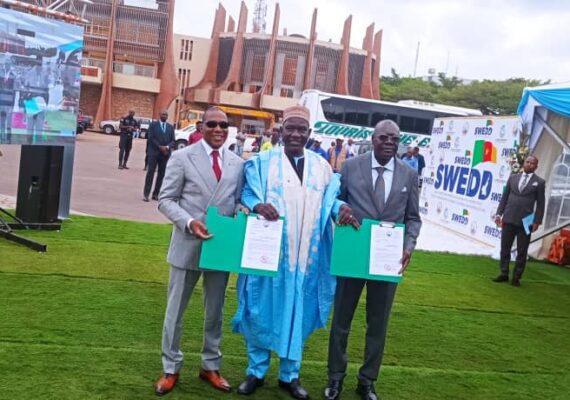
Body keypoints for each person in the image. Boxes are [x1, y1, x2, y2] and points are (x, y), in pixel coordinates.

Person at [233, 105, 355, 400]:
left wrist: (342, 208)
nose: (296, 134)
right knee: (260, 309)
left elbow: (330, 201)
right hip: (270, 255)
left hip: (305, 260)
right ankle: (256, 371)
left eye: (302, 129)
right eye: (291, 128)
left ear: (309, 133)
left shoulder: (322, 167)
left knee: (297, 313)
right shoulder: (262, 162)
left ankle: (290, 375)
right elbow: (246, 193)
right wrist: (257, 204)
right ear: (281, 131)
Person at [325, 120, 422, 400]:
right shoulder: (351, 166)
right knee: (341, 320)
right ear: (373, 138)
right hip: (353, 252)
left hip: (388, 258)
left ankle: (367, 381)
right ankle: (335, 378)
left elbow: (413, 218)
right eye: (384, 138)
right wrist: (340, 209)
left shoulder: (408, 174)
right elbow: (334, 201)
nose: (389, 143)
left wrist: (408, 246)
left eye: (395, 139)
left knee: (378, 324)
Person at [154, 107, 245, 396]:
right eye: (212, 124)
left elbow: (237, 200)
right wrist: (189, 222)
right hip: (188, 244)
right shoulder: (182, 157)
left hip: (220, 247)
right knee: (175, 312)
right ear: (201, 127)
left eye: (224, 125)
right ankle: (170, 367)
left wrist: (243, 212)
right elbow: (165, 200)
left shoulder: (237, 163)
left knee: (215, 312)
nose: (218, 129)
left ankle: (210, 365)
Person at [493, 155, 545, 287]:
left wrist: (537, 221)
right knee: (505, 248)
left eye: (532, 163)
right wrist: (499, 214)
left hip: (527, 221)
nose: (529, 164)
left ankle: (516, 277)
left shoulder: (539, 182)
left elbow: (541, 204)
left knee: (522, 251)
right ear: (524, 163)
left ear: (536, 166)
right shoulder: (513, 178)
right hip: (509, 217)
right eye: (527, 162)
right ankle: (504, 273)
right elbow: (504, 198)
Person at [143, 110, 175, 202]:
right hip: (154, 153)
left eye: (166, 115)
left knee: (162, 174)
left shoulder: (170, 127)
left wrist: (167, 147)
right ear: (159, 115)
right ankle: (146, 194)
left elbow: (173, 141)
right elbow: (151, 138)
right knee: (150, 173)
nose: (165, 116)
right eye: (163, 114)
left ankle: (156, 194)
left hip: (165, 154)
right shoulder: (153, 125)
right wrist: (160, 147)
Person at [0, 61, 16, 143]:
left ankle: (8, 139)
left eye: (8, 64)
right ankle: (1, 138)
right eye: (6, 64)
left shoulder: (13, 76)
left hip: (9, 103)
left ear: (10, 66)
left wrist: (13, 105)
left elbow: (14, 91)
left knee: (9, 122)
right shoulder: (1, 74)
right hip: (1, 102)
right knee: (2, 122)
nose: (7, 66)